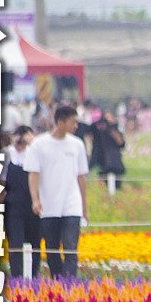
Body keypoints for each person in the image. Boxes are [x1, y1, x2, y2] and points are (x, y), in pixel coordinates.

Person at [26, 105, 89, 279]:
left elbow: (81, 177)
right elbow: (33, 174)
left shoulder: (77, 145)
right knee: (52, 250)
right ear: (60, 122)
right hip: (49, 206)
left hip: (72, 205)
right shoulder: (39, 144)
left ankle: (69, 285)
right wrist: (35, 199)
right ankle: (57, 282)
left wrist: (84, 207)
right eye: (73, 122)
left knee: (70, 249)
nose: (76, 126)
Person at [0, 126, 41, 278]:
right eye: (18, 138)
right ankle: (17, 275)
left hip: (33, 204)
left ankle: (33, 275)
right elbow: (1, 181)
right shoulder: (7, 154)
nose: (20, 142)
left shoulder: (35, 153)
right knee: (15, 242)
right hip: (13, 206)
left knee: (34, 242)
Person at [88, 110, 126, 187]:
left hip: (114, 159)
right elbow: (91, 134)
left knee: (116, 182)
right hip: (102, 158)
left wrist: (112, 130)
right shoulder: (99, 129)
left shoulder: (115, 129)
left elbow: (121, 143)